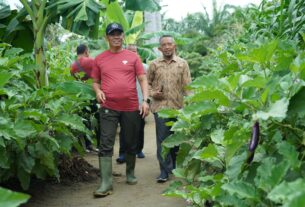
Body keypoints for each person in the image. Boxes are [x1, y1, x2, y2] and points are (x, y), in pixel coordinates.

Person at [91, 23, 150, 198]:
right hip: (108, 107)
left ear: (123, 36)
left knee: (131, 141)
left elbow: (142, 79)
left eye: (119, 33)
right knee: (106, 142)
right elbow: (95, 80)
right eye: (112, 34)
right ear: (107, 37)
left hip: (131, 107)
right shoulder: (100, 58)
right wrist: (98, 91)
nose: (116, 37)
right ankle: (106, 182)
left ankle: (130, 173)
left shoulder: (132, 57)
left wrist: (145, 101)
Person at [147, 35, 191, 183]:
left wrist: (191, 104)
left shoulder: (182, 64)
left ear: (174, 46)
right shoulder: (154, 64)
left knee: (176, 139)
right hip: (160, 108)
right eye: (163, 45)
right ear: (160, 48)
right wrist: (153, 93)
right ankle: (164, 171)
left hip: (178, 107)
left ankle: (174, 166)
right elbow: (147, 84)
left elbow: (187, 87)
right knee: (163, 140)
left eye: (169, 44)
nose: (166, 47)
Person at [116, 44, 146, 164]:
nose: (133, 53)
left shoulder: (144, 67)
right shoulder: (119, 67)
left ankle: (139, 150)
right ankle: (122, 153)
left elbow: (147, 86)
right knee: (124, 130)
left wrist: (146, 101)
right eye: (130, 51)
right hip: (124, 104)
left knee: (139, 128)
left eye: (135, 51)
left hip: (139, 103)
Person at [70, 44, 99, 153]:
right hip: (91, 94)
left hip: (77, 96)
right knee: (95, 119)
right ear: (86, 51)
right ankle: (95, 144)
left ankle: (85, 144)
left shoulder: (72, 65)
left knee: (82, 119)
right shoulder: (91, 61)